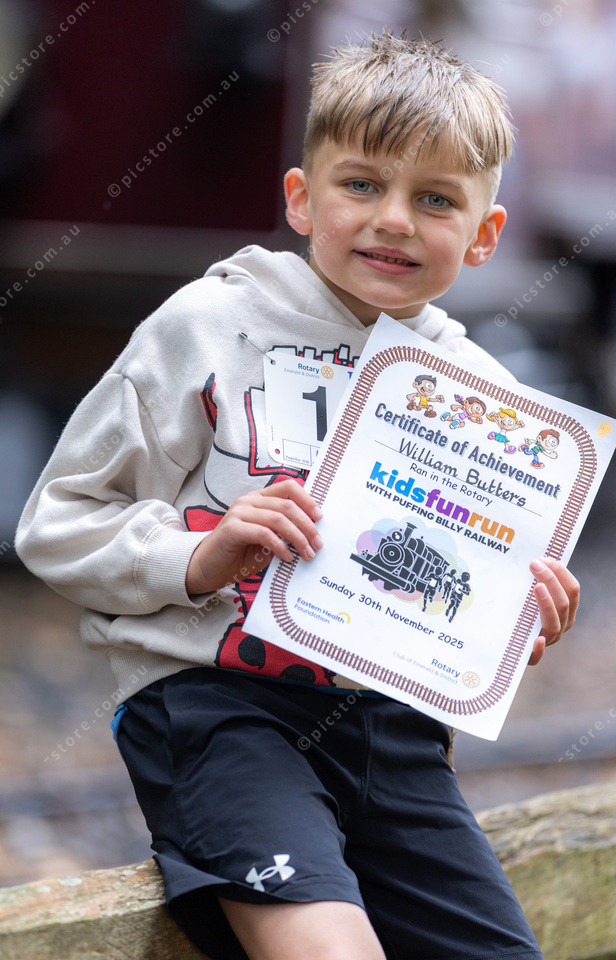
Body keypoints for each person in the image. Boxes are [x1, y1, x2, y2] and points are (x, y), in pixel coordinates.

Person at [15, 30, 580, 960]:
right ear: (301, 197)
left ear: (484, 234)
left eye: (435, 199)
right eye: (361, 184)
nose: (394, 219)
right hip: (219, 709)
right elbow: (58, 522)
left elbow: (458, 627)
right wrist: (199, 556)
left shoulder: (489, 403)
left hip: (393, 735)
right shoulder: (209, 326)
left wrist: (513, 627)